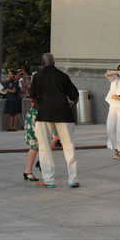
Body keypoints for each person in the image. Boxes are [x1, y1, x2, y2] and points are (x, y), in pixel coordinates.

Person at [29, 53, 80, 188]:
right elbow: (74, 95)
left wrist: (38, 104)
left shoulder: (37, 76)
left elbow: (32, 98)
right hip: (63, 113)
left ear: (42, 62)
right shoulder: (62, 76)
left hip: (44, 113)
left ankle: (49, 180)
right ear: (54, 62)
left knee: (44, 147)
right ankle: (73, 179)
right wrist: (72, 103)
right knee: (69, 145)